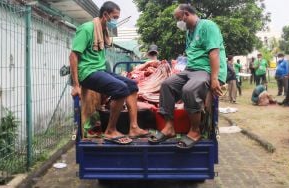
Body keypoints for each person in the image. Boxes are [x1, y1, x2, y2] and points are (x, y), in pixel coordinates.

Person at [148, 4, 227, 149]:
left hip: (207, 70)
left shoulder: (207, 26)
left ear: (186, 14)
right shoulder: (189, 32)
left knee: (189, 89)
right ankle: (169, 127)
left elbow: (214, 53)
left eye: (178, 19)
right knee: (167, 85)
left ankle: (195, 131)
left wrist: (215, 79)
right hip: (190, 70)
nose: (178, 23)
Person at [69, 1, 148, 145]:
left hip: (99, 70)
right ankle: (110, 131)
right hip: (87, 73)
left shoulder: (104, 31)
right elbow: (73, 56)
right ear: (105, 15)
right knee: (120, 89)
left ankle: (134, 127)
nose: (116, 21)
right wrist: (76, 85)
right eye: (115, 17)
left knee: (131, 85)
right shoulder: (87, 29)